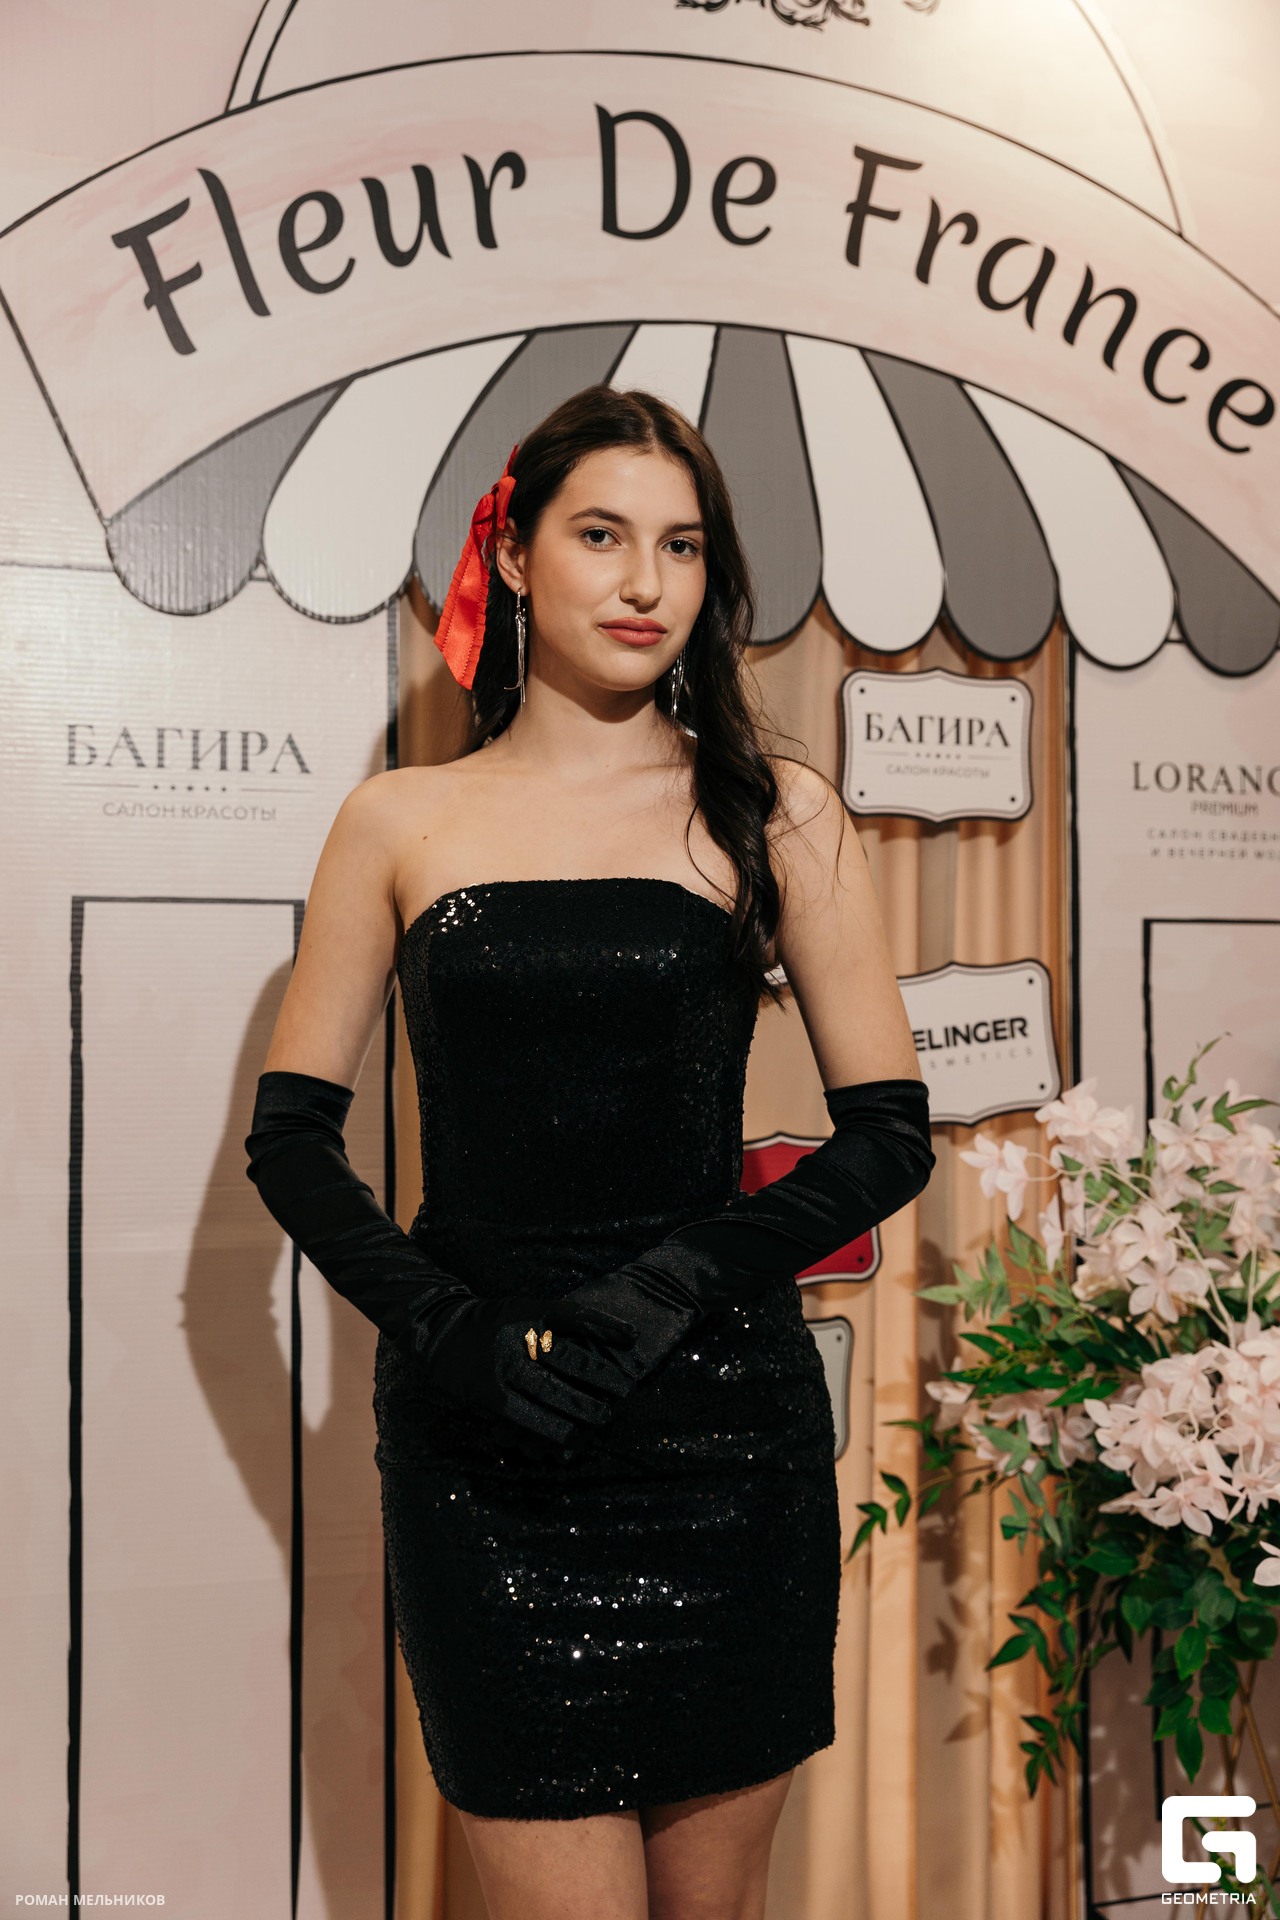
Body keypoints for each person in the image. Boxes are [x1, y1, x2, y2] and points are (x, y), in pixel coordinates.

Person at [244, 385, 933, 1920]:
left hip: (724, 1442)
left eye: (682, 547)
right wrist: (445, 1328)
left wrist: (676, 1281)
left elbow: (889, 1134)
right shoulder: (398, 819)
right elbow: (291, 1142)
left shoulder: (774, 811)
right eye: (604, 536)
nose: (645, 583)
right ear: (515, 554)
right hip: (488, 1446)